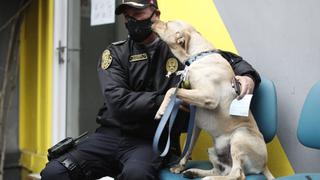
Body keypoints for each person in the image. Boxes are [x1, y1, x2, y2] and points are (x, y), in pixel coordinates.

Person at [40, 0, 261, 180]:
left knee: (136, 174)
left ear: (155, 13)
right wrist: (166, 99)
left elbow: (220, 57)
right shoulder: (115, 54)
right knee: (55, 172)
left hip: (151, 140)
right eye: (127, 14)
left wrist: (248, 75)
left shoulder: (178, 46)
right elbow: (118, 102)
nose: (131, 19)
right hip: (110, 135)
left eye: (137, 11)